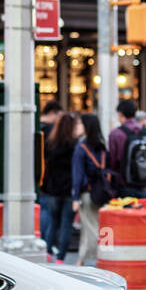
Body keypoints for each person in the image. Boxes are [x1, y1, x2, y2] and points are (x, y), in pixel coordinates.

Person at [71, 112, 111, 266]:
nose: (77, 127)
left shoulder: (81, 147)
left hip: (88, 194)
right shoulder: (103, 145)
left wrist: (75, 197)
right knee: (102, 227)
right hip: (103, 193)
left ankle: (101, 258)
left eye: (80, 124)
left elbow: (78, 174)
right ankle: (81, 260)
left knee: (91, 228)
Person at [42, 111, 81, 262]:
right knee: (66, 225)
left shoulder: (51, 144)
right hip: (69, 190)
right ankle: (60, 258)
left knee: (53, 222)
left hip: (53, 189)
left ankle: (48, 252)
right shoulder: (75, 145)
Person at [108, 98, 146, 202]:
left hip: (123, 186)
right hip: (144, 185)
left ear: (120, 114)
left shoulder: (115, 134)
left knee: (125, 217)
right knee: (140, 217)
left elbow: (112, 163)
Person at [39, 98, 63, 244]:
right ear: (53, 113)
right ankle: (45, 242)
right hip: (47, 176)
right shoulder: (51, 131)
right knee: (46, 210)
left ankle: (43, 239)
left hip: (35, 174)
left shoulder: (33, 124)